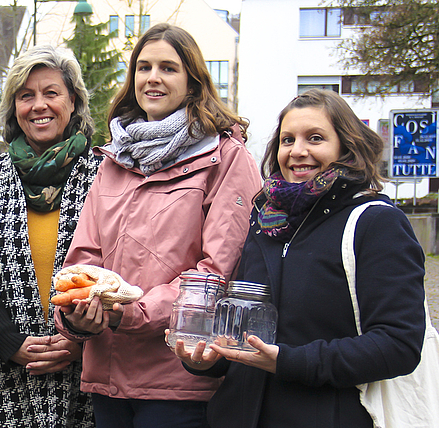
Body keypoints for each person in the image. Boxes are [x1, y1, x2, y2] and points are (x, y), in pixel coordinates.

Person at [176, 89, 426, 428]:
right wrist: (208, 360)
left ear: (346, 146)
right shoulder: (265, 218)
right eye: (287, 139)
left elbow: (399, 345)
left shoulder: (375, 222)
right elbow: (241, 335)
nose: (298, 151)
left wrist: (289, 361)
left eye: (316, 138)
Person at [53, 23, 262, 428]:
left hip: (179, 379)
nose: (152, 77)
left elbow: (215, 273)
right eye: (143, 67)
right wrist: (76, 313)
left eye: (168, 68)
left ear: (193, 81)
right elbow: (84, 261)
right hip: (107, 379)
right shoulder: (114, 160)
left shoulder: (226, 158)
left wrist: (128, 313)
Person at [0, 45, 99, 427]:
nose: (39, 105)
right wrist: (10, 343)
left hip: (85, 368)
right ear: (14, 108)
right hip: (7, 371)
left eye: (51, 93)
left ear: (73, 101)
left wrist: (80, 340)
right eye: (26, 95)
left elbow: (122, 267)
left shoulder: (105, 176)